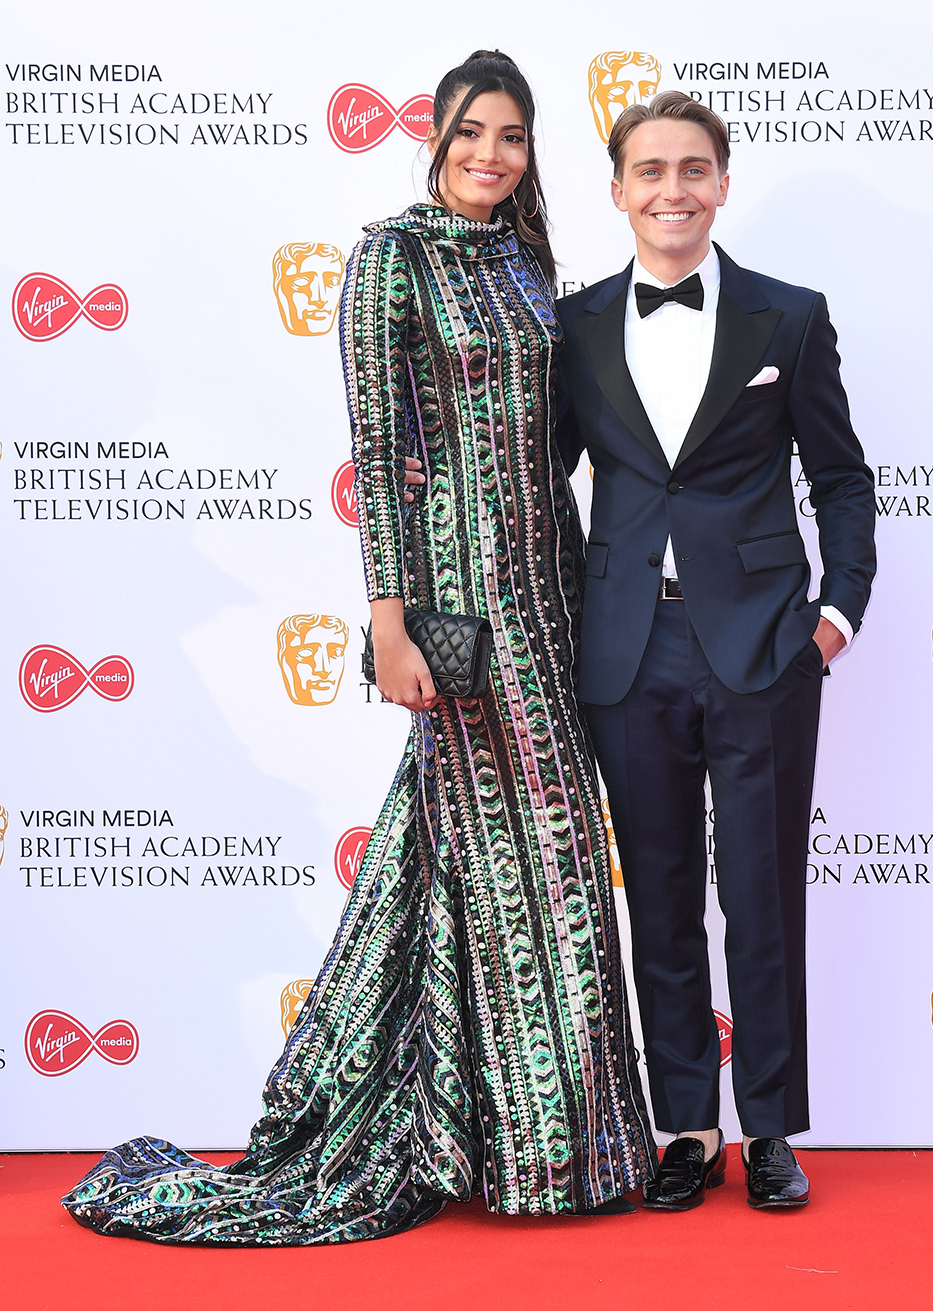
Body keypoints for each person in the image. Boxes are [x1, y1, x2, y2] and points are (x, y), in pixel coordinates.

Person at [61, 50, 653, 1246]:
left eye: (514, 137)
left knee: (553, 860)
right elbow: (378, 454)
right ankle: (538, 1159)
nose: (492, 154)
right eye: (474, 132)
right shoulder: (390, 254)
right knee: (504, 861)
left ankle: (565, 1143)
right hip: (457, 600)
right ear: (435, 134)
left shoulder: (530, 262)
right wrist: (388, 622)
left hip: (556, 588)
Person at [556, 91, 876, 1211]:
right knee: (658, 898)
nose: (672, 189)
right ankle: (686, 1124)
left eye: (693, 168)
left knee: (761, 891)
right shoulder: (578, 324)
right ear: (617, 191)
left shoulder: (787, 316)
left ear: (723, 183)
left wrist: (835, 612)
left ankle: (773, 1129)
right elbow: (533, 473)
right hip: (627, 651)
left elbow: (838, 475)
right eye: (649, 170)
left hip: (762, 646)